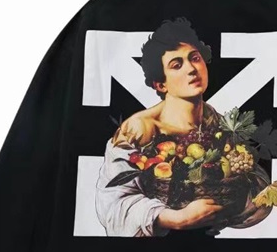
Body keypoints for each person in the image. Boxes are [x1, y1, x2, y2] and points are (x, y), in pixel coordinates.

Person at [95, 18, 225, 236]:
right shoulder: (138, 130)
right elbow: (112, 206)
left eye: (195, 58)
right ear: (160, 84)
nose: (192, 69)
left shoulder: (215, 121)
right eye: (177, 65)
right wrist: (177, 219)